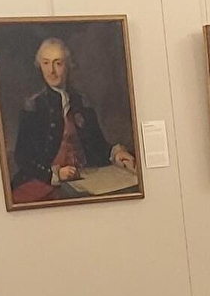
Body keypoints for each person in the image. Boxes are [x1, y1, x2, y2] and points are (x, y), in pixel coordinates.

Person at [11, 37, 138, 205]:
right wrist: (55, 174)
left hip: (84, 179)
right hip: (44, 183)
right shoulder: (34, 107)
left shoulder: (81, 102)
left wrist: (116, 154)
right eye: (46, 63)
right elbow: (23, 157)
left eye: (58, 63)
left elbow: (98, 145)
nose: (51, 71)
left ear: (68, 65)